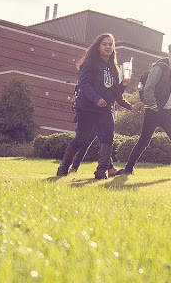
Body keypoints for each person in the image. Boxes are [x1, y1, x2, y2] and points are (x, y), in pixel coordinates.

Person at [112, 44, 171, 178]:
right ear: (170, 54)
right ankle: (128, 168)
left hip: (168, 112)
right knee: (144, 141)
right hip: (154, 111)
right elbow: (148, 88)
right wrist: (153, 106)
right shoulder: (159, 68)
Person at [55, 33, 134, 180]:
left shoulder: (113, 67)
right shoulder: (90, 62)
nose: (108, 47)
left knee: (108, 137)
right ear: (98, 46)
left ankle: (101, 171)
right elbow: (84, 83)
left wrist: (123, 85)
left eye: (110, 44)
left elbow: (115, 93)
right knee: (81, 139)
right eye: (105, 44)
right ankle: (64, 167)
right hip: (87, 107)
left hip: (105, 109)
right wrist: (96, 98)